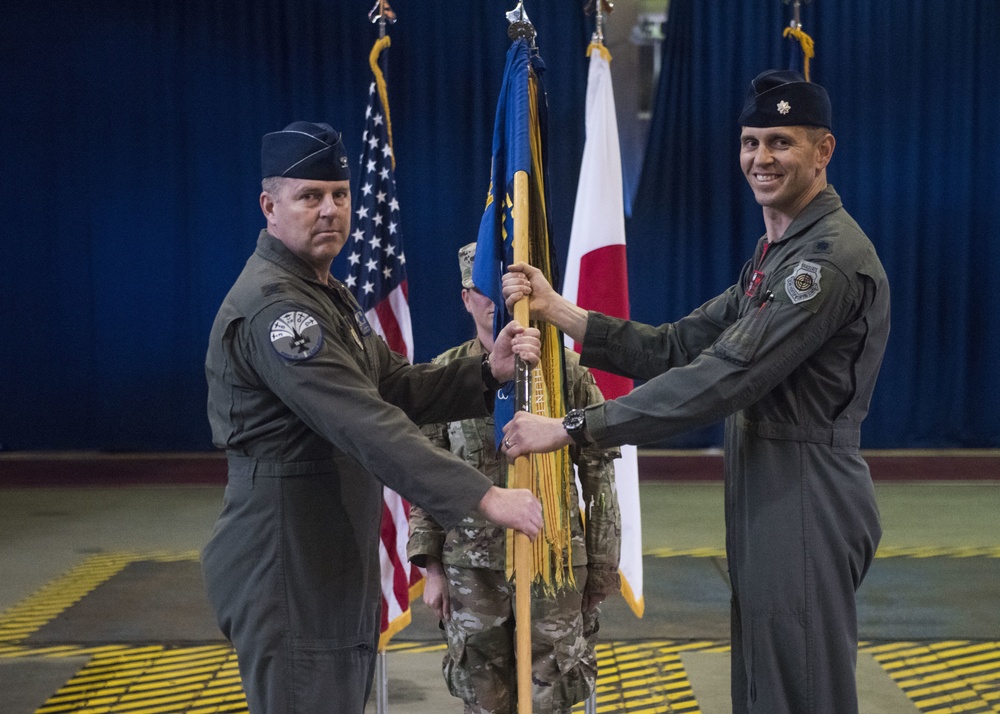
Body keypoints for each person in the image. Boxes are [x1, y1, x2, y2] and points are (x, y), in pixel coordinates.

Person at [499, 70, 890, 714]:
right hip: (769, 486)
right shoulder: (777, 255)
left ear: (824, 151)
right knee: (766, 683)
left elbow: (722, 378)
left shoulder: (824, 263)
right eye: (750, 142)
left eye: (781, 142)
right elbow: (677, 347)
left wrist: (571, 428)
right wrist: (560, 312)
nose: (760, 158)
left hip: (806, 490)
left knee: (802, 687)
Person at [201, 121, 544, 714]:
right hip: (287, 555)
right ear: (269, 206)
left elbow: (394, 387)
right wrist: (483, 497)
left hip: (323, 550)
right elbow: (364, 421)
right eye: (310, 196)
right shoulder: (278, 310)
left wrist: (489, 371)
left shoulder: (322, 293)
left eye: (339, 194)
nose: (330, 209)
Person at [407, 243, 622, 714]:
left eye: (507, 291)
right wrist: (433, 568)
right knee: (484, 701)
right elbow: (424, 477)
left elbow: (599, 476)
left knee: (552, 697)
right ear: (466, 298)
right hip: (471, 573)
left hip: (556, 566)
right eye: (483, 290)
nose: (497, 303)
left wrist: (603, 566)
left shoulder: (566, 374)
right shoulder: (444, 376)